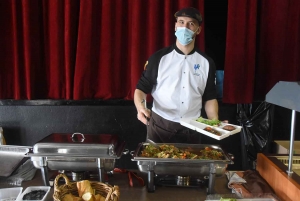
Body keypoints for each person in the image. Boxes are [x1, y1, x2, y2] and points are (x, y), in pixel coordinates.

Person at [134, 7, 219, 143]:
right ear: (175, 26)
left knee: (190, 164)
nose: (184, 27)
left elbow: (210, 97)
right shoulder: (159, 58)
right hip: (160, 127)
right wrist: (141, 108)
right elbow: (141, 89)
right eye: (181, 22)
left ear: (198, 30)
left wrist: (214, 121)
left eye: (191, 23)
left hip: (193, 128)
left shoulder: (207, 63)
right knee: (157, 163)